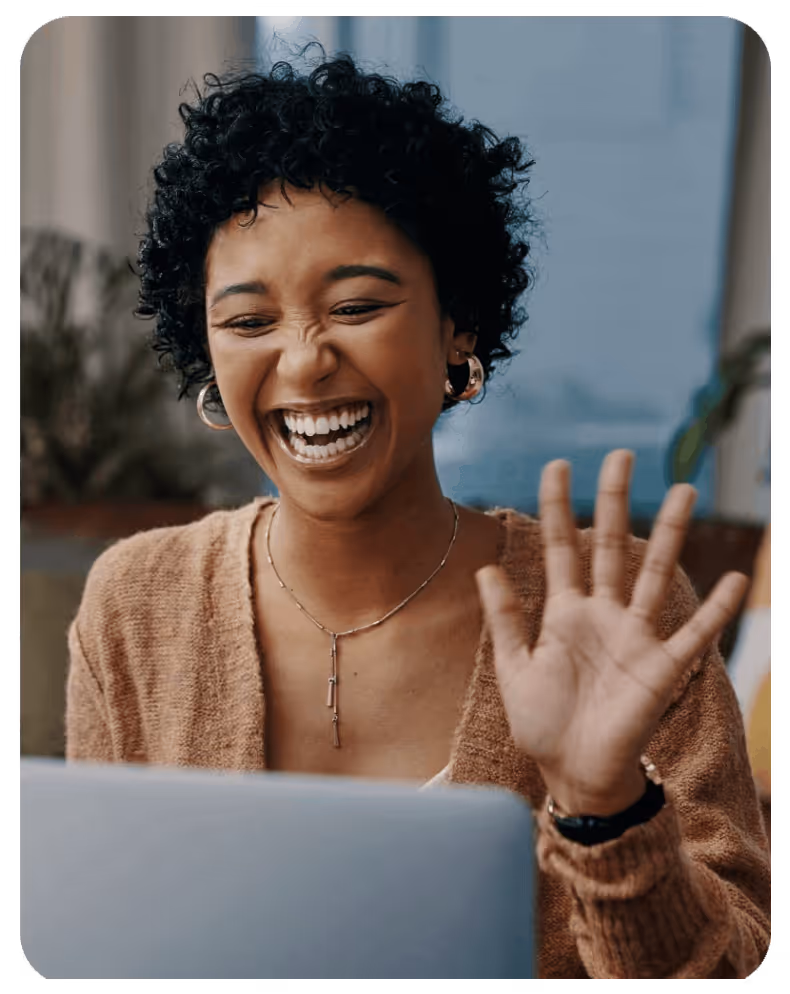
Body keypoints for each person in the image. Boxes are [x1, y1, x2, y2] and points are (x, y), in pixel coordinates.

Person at [65, 49, 770, 979]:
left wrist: (605, 805)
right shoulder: (135, 601)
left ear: (458, 327)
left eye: (356, 304)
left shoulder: (611, 607)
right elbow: (91, 934)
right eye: (246, 322)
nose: (304, 360)